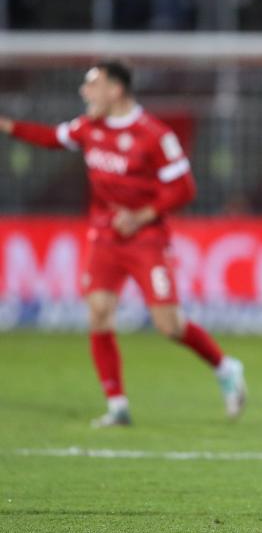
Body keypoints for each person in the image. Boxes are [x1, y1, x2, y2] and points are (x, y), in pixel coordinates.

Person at [0, 60, 246, 427]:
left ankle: (225, 367)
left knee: (169, 325)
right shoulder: (88, 127)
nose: (85, 93)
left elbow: (184, 188)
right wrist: (6, 125)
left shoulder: (154, 135)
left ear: (115, 90)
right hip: (104, 236)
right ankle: (117, 406)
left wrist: (141, 216)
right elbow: (52, 138)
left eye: (92, 85)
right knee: (98, 312)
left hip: (146, 239)